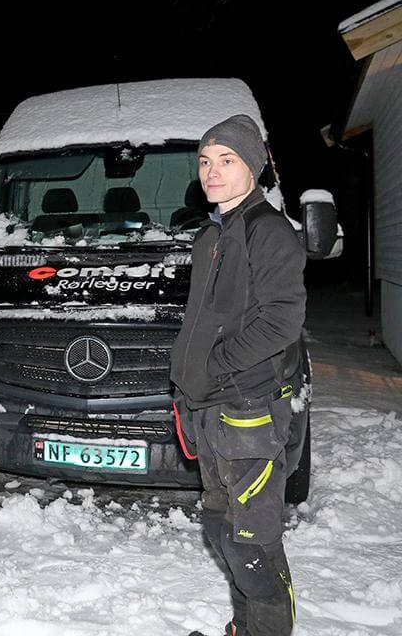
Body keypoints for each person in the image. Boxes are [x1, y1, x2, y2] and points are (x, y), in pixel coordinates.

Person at [169, 114, 307, 636]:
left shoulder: (268, 231)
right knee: (222, 529)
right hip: (208, 410)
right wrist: (186, 377)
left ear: (254, 166)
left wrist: (216, 366)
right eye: (205, 161)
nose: (213, 171)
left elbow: (281, 322)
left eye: (227, 160)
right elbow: (205, 319)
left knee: (253, 545)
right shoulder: (212, 234)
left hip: (248, 412)